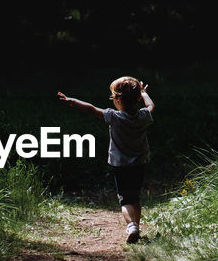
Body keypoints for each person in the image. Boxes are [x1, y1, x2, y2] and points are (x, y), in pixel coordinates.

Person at [57, 76, 155, 243]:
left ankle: (132, 226)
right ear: (137, 98)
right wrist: (144, 93)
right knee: (135, 197)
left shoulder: (114, 117)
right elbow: (151, 106)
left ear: (117, 99)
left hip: (120, 165)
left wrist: (73, 101)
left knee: (125, 199)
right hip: (139, 164)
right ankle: (136, 226)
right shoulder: (144, 116)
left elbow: (92, 109)